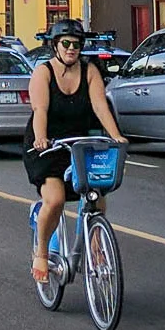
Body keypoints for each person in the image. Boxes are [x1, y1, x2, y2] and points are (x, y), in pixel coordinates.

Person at [24, 18, 125, 284]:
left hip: (80, 141)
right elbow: (40, 111)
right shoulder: (43, 72)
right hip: (48, 144)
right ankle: (42, 253)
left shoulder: (89, 71)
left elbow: (101, 106)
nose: (72, 49)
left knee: (96, 196)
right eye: (66, 43)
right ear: (55, 45)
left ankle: (95, 248)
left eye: (77, 44)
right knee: (55, 199)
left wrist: (116, 136)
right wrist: (42, 138)